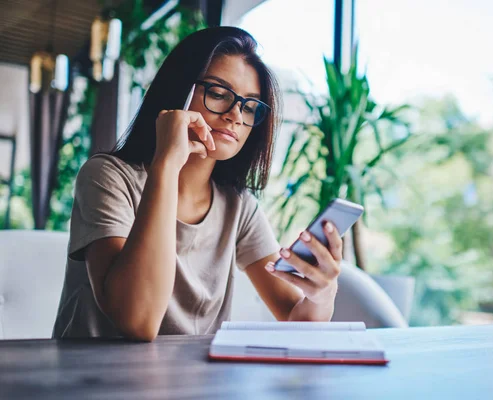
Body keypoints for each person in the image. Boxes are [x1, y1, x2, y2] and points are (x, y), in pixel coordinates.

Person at [52, 27, 342, 341]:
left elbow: (295, 319)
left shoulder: (238, 207)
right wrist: (166, 163)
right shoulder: (108, 177)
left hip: (194, 382)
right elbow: (137, 321)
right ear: (178, 92)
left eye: (249, 107)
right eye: (218, 93)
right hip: (94, 382)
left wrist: (321, 294)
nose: (235, 115)